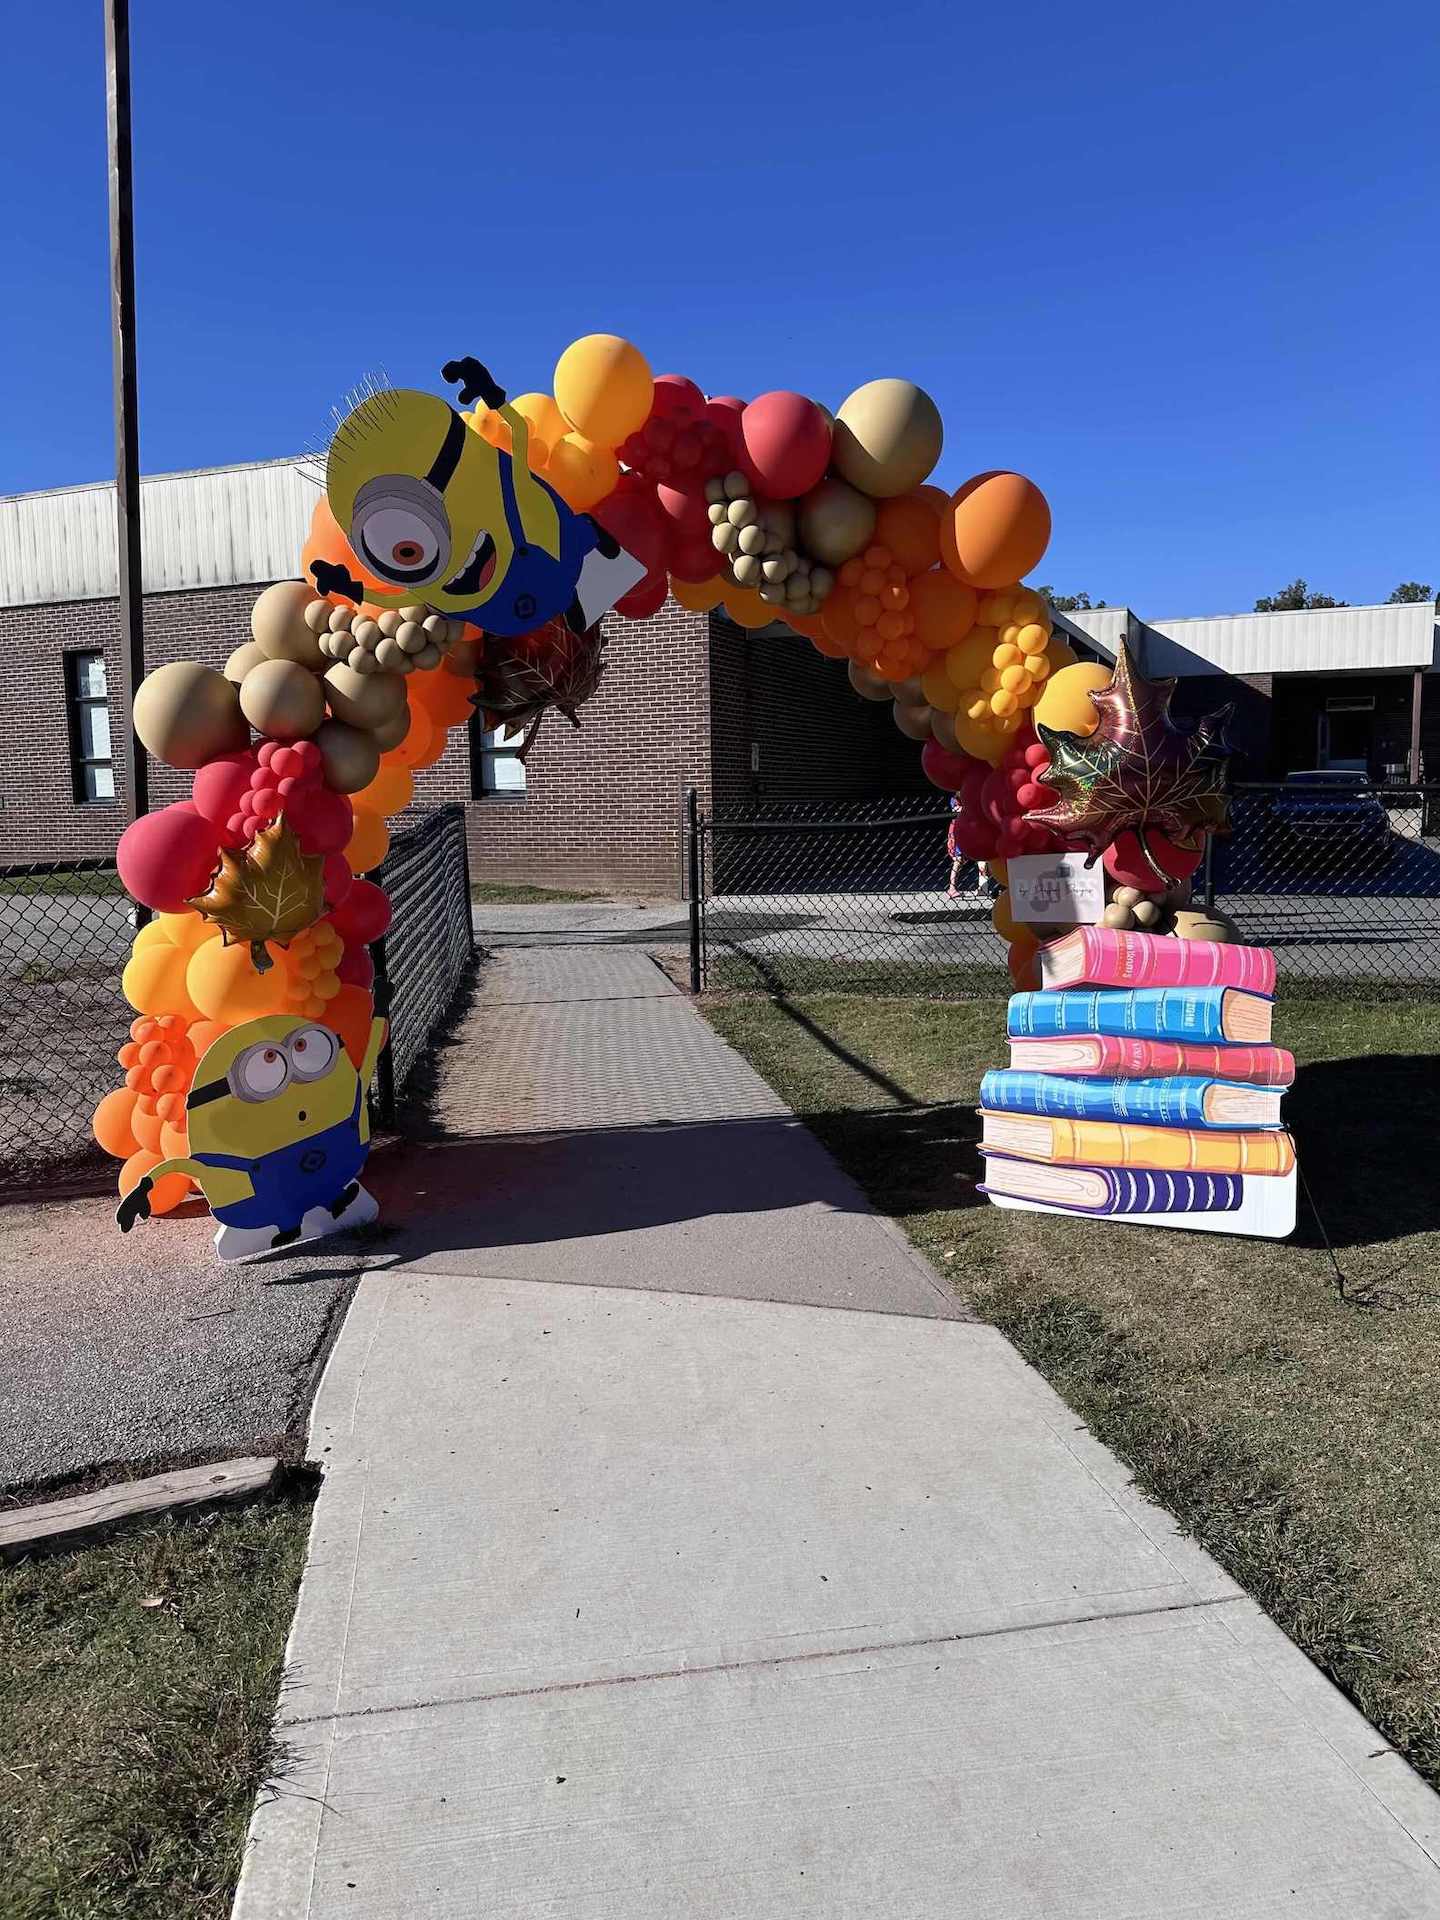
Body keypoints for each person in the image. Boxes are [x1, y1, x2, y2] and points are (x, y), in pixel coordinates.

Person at [946, 794, 989, 900]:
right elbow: (957, 810)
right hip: (959, 831)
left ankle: (983, 888)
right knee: (958, 860)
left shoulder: (969, 796)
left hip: (969, 829)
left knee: (981, 858)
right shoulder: (955, 799)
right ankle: (951, 888)